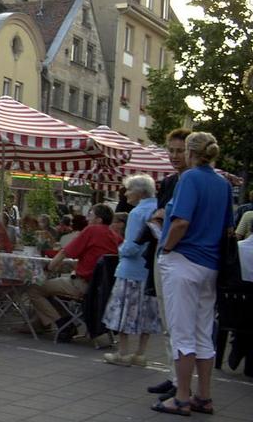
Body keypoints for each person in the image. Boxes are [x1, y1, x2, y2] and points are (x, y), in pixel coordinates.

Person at [152, 132, 233, 416]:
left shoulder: (189, 178)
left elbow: (181, 222)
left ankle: (182, 397)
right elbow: (228, 227)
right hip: (210, 264)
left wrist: (166, 249)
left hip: (183, 260)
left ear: (190, 152)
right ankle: (204, 396)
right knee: (202, 332)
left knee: (182, 332)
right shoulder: (223, 184)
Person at [27, 204, 121, 341]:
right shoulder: (116, 236)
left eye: (90, 215)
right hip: (104, 289)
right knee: (50, 289)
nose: (87, 218)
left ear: (99, 219)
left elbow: (65, 252)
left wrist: (49, 268)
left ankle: (62, 325)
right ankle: (62, 322)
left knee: (34, 289)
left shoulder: (92, 230)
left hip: (83, 285)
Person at [146, 127, 190, 401]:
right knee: (166, 318)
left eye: (179, 151)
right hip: (163, 250)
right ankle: (174, 376)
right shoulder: (170, 181)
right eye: (170, 150)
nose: (174, 156)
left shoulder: (193, 181)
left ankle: (182, 383)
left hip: (180, 254)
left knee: (180, 322)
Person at [102, 175, 161, 366]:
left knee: (124, 311)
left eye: (128, 190)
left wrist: (121, 250)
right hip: (151, 270)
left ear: (139, 192)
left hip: (132, 269)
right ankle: (140, 354)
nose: (126, 194)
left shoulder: (137, 213)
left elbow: (133, 245)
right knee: (147, 313)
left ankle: (123, 352)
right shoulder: (158, 209)